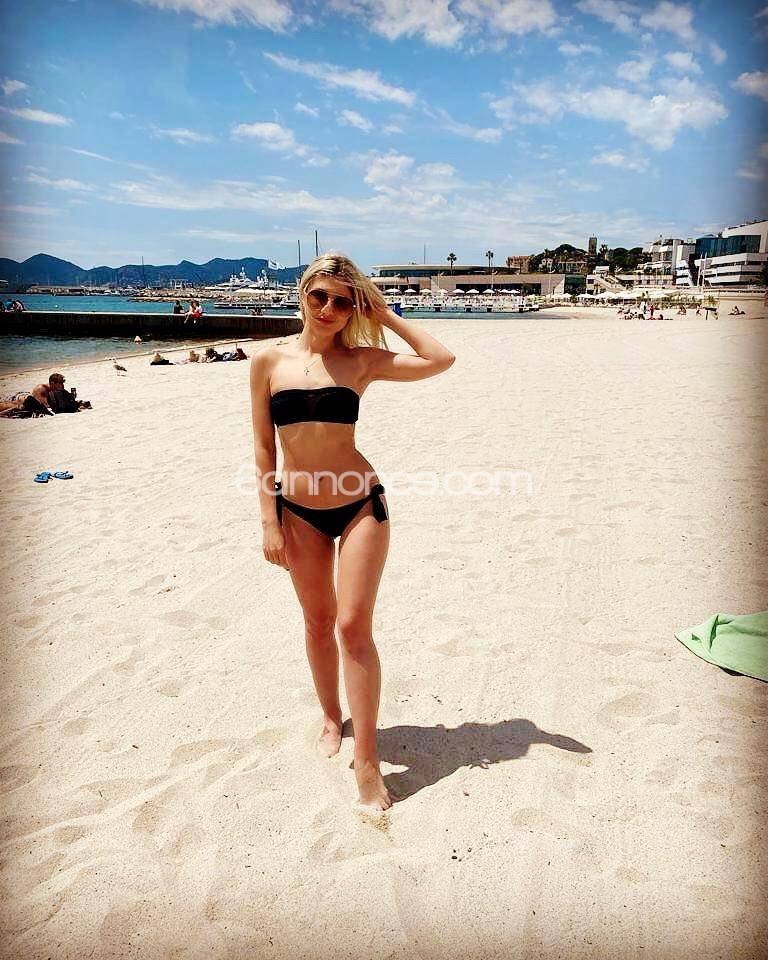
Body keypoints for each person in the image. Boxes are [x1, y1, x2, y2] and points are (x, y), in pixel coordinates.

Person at [250, 252, 455, 813]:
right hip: (297, 512)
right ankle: (329, 716)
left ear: (353, 307)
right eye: (320, 296)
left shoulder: (361, 360)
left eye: (343, 301)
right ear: (303, 294)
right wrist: (268, 519)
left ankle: (367, 758)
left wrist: (383, 314)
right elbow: (264, 446)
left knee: (352, 625)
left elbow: (440, 359)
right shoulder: (268, 361)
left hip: (361, 504)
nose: (329, 308)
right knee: (317, 622)